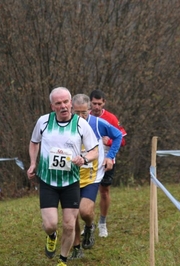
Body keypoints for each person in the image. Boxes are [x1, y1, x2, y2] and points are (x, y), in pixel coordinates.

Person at [27, 87, 99, 266]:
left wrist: (83, 158)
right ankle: (51, 236)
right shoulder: (43, 122)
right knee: (51, 224)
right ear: (52, 106)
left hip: (71, 181)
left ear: (71, 104)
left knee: (69, 224)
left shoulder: (81, 124)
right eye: (58, 103)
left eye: (66, 102)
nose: (63, 106)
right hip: (48, 181)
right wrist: (33, 163)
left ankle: (62, 260)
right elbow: (34, 142)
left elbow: (94, 151)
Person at [69, 94, 122, 259]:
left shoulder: (97, 123)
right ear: (71, 109)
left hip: (92, 176)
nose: (80, 117)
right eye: (76, 113)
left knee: (85, 212)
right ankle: (77, 248)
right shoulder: (65, 124)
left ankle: (90, 226)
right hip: (70, 176)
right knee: (72, 215)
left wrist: (110, 156)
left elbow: (118, 135)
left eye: (83, 113)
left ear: (89, 110)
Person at [89, 89, 127, 238]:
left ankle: (102, 223)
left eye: (99, 104)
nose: (96, 107)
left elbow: (122, 140)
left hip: (107, 159)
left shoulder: (111, 118)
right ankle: (89, 224)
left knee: (104, 191)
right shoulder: (85, 117)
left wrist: (109, 141)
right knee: (88, 193)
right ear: (89, 103)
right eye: (94, 104)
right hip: (89, 161)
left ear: (104, 102)